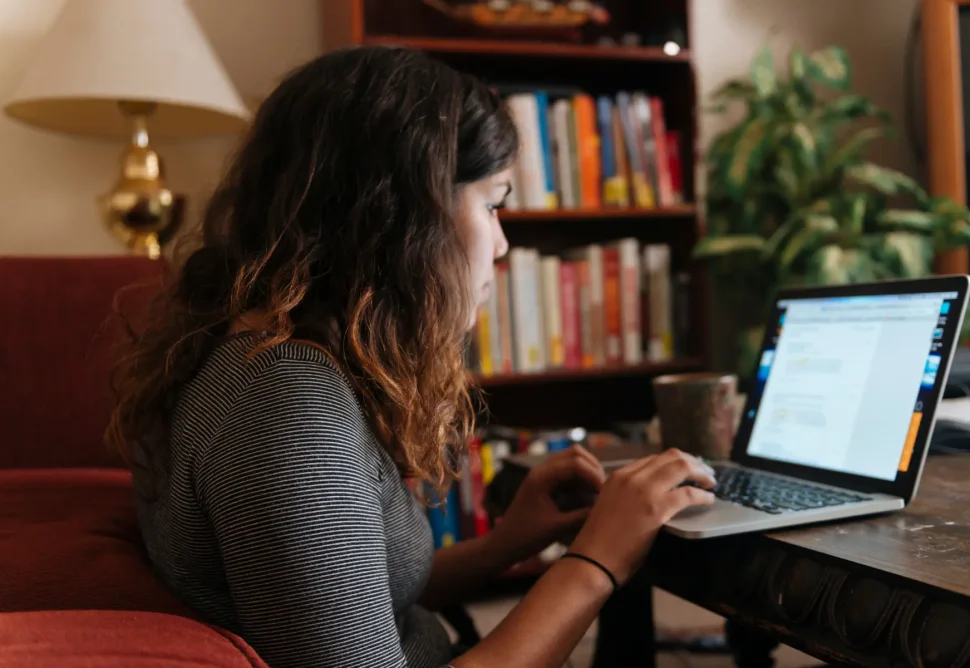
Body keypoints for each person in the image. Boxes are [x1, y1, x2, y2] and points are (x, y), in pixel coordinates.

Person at [106, 45, 716, 668]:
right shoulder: (287, 407)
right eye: (493, 203)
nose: (502, 245)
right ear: (403, 216)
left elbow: (352, 603)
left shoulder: (263, 362)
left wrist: (507, 543)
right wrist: (599, 562)